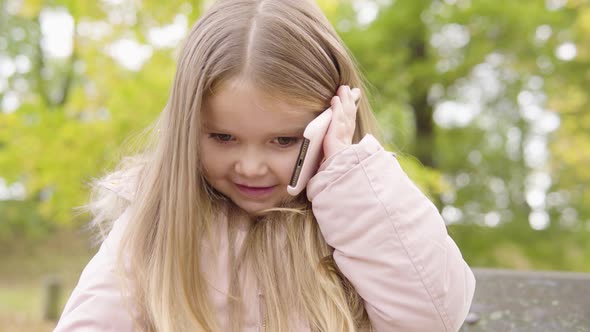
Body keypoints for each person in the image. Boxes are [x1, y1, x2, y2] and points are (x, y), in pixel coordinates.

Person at [54, 0, 475, 331]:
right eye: (223, 137)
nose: (251, 167)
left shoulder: (362, 218)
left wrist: (349, 176)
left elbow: (433, 317)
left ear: (331, 122)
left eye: (284, 140)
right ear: (187, 128)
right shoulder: (157, 224)